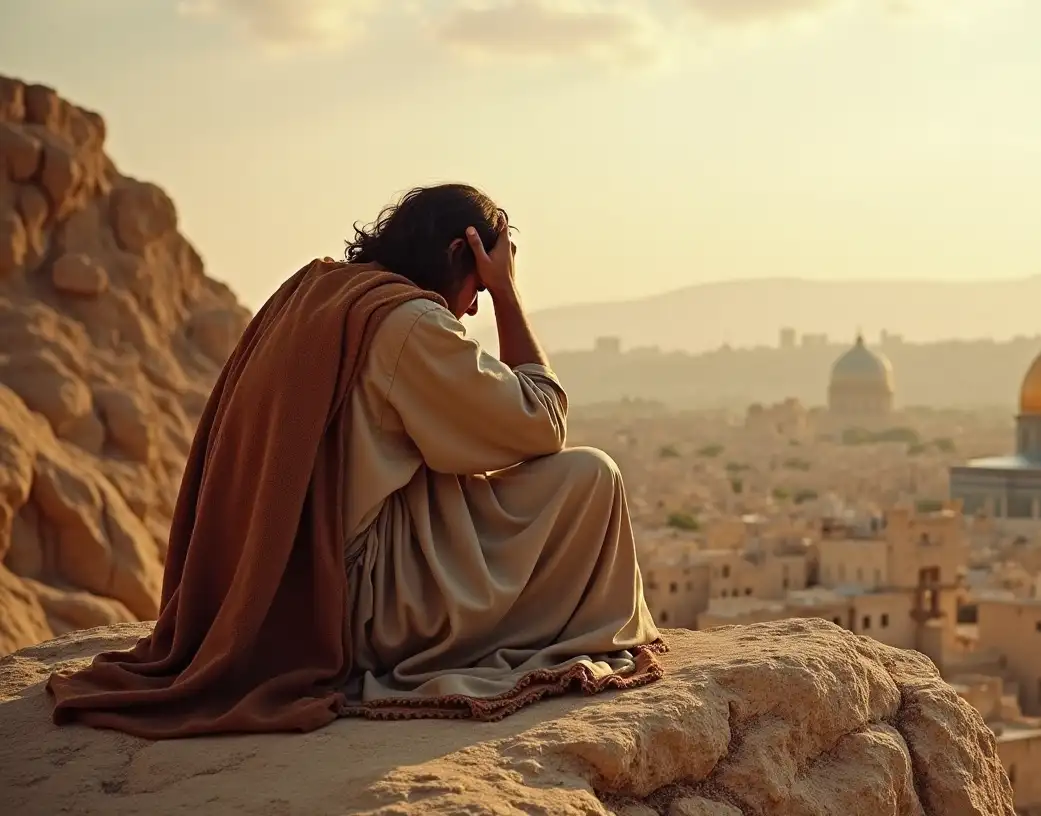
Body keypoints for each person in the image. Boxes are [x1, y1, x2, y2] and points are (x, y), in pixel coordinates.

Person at [47, 184, 664, 738]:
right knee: (593, 477)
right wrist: (508, 292)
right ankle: (568, 635)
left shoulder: (313, 292)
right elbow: (541, 424)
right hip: (369, 608)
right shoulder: (406, 322)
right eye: (476, 286)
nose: (472, 309)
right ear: (461, 254)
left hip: (304, 590)